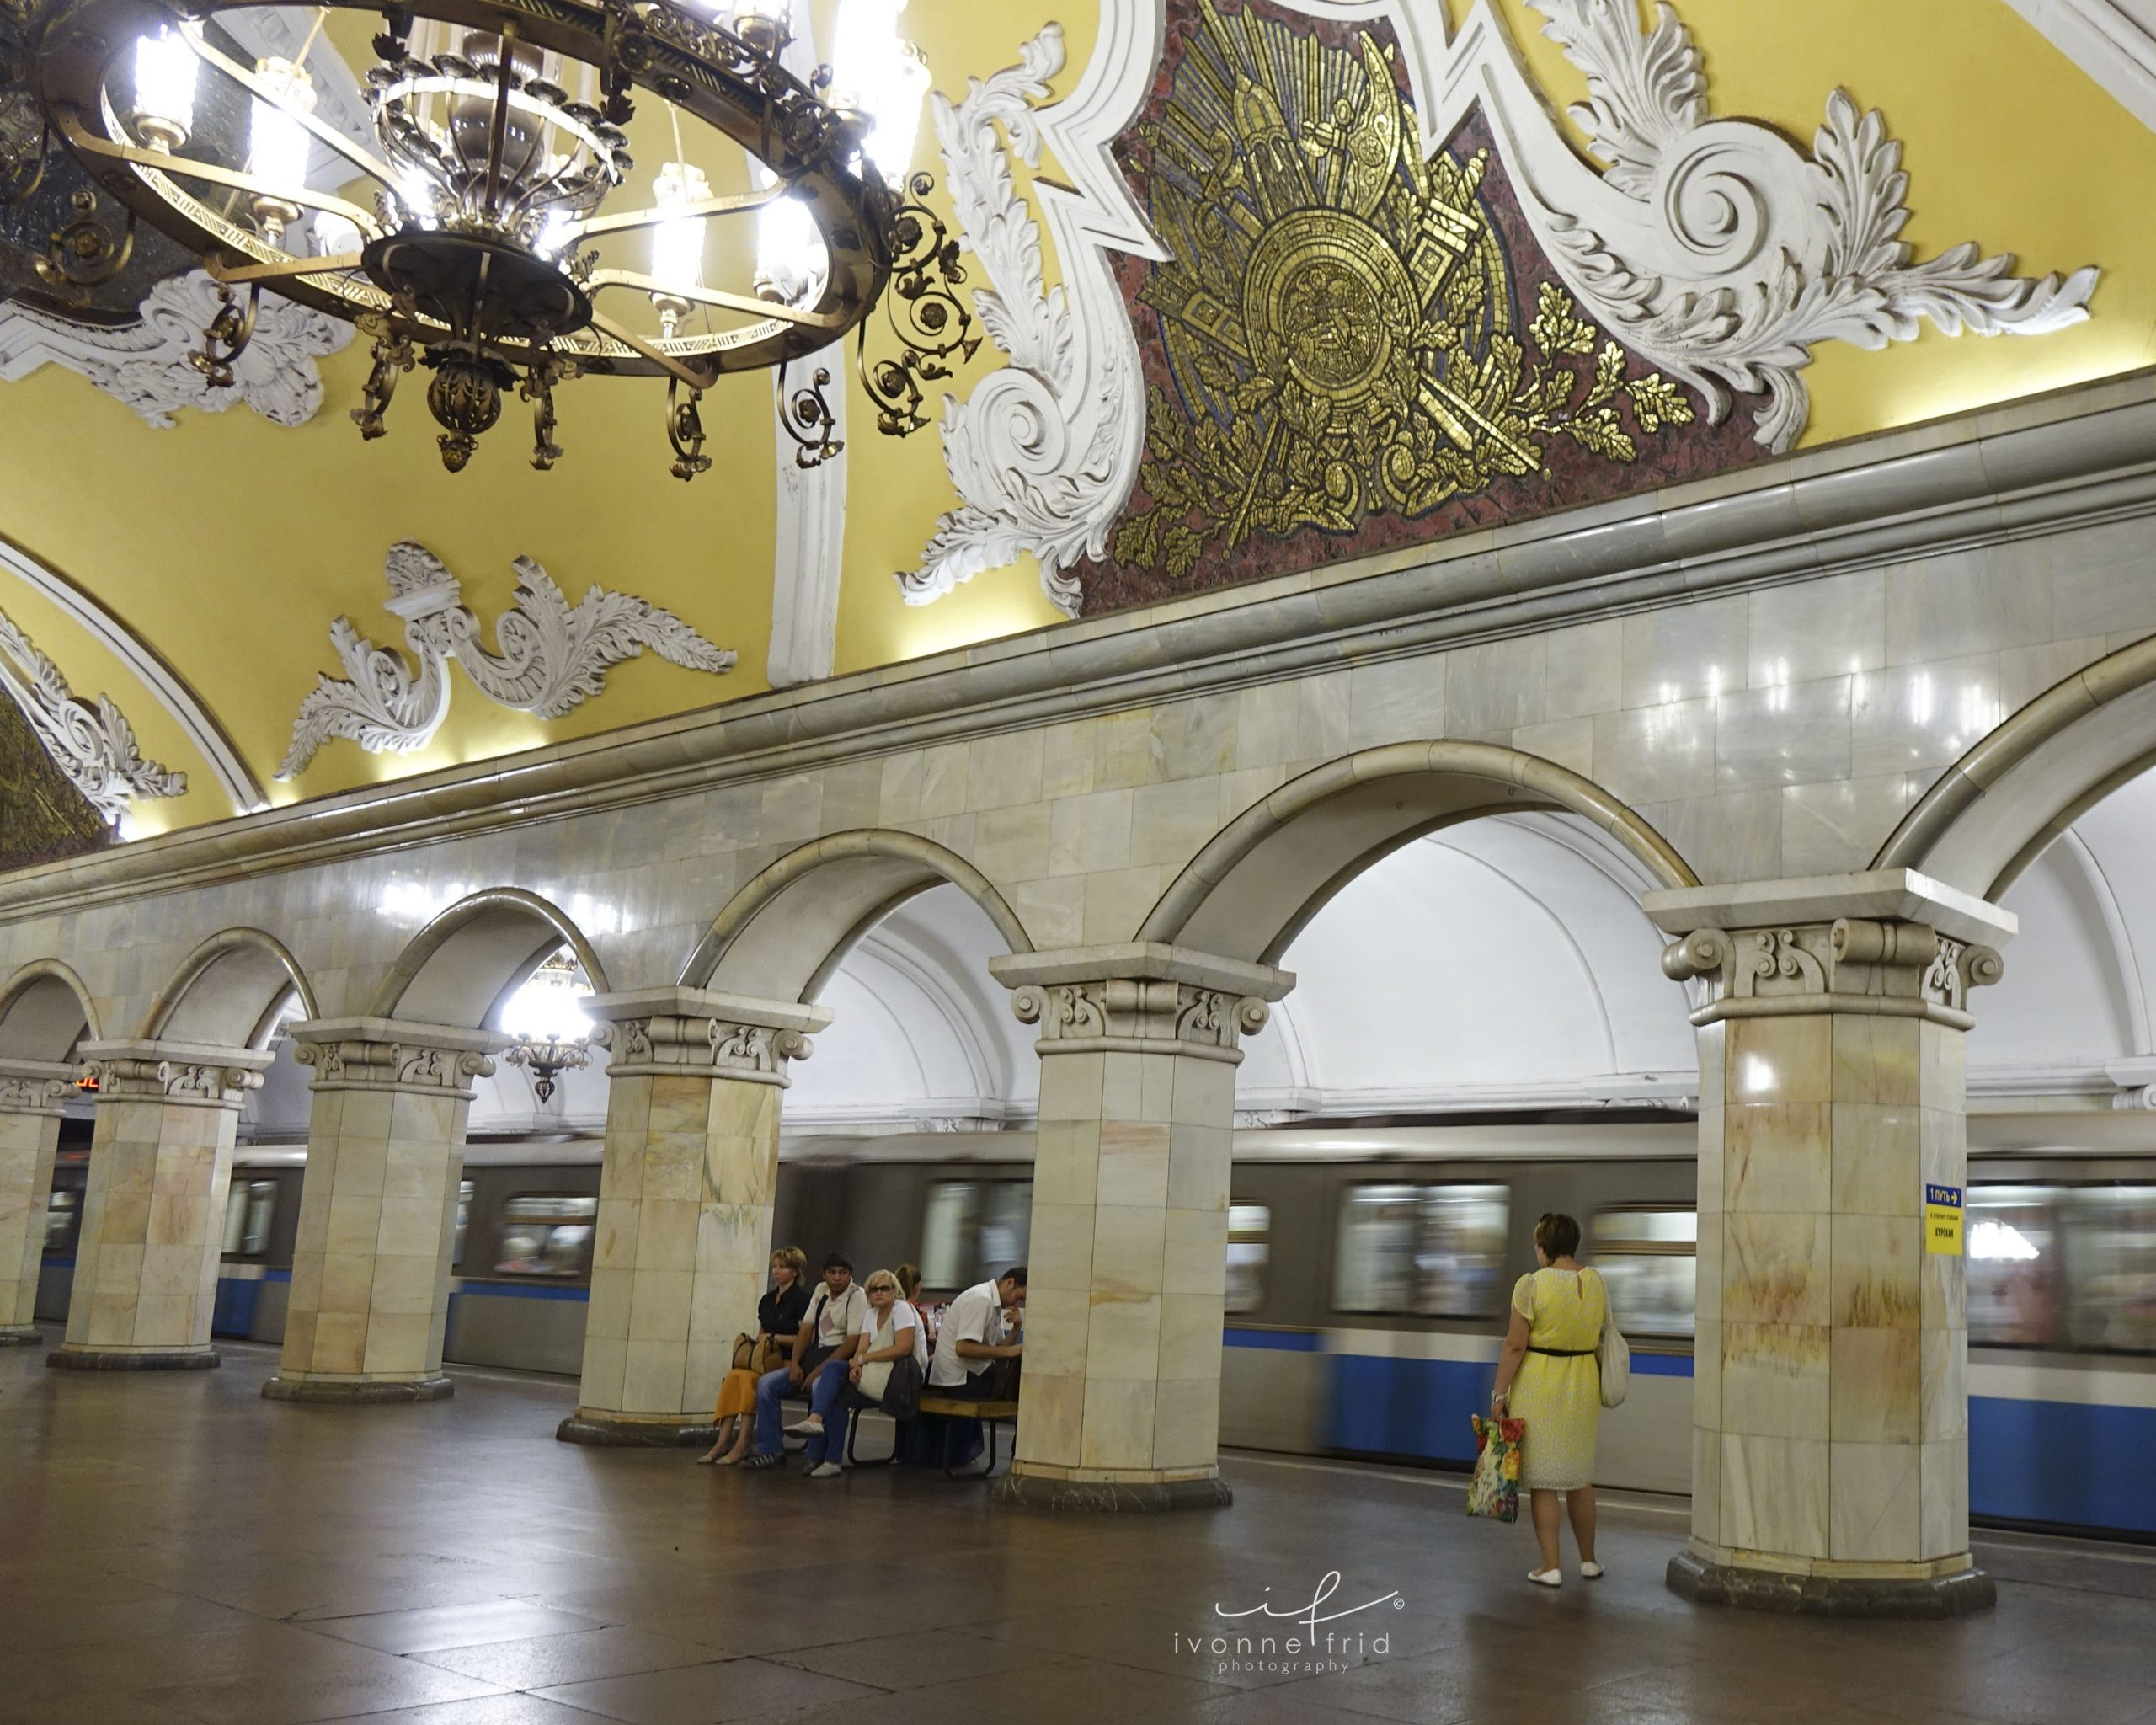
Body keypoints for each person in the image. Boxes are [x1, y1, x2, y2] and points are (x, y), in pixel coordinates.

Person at [1489, 1213, 1607, 1587]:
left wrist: (1499, 1393)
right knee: (1579, 1476)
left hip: (1542, 1382)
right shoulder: (1595, 1281)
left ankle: (1551, 1566)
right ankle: (1589, 1561)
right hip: (1584, 1382)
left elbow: (1515, 1344)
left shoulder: (1531, 1285)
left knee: (1544, 1480)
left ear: (1543, 1249)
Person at [743, 1252, 868, 1471]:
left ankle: (816, 1455)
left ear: (850, 1275)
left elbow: (852, 1341)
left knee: (820, 1386)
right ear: (824, 1274)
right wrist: (795, 1364)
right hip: (814, 1355)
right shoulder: (821, 1291)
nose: (837, 1278)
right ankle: (771, 1449)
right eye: (832, 1273)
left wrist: (814, 1373)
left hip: (839, 1361)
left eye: (843, 1273)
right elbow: (806, 1330)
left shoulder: (856, 1296)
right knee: (766, 1385)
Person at [799, 1268, 931, 1477]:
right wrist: (856, 1365)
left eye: (884, 1288)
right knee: (835, 1387)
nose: (878, 1293)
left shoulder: (902, 1309)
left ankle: (816, 1425)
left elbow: (903, 1348)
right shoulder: (871, 1314)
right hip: (876, 1374)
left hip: (900, 1381)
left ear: (894, 1290)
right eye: (873, 1289)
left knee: (833, 1381)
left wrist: (863, 1360)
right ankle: (829, 1456)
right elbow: (862, 1348)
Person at [698, 1247, 811, 1466]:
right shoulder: (767, 1300)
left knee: (751, 1381)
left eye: (783, 1267)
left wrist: (774, 1337)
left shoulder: (802, 1300)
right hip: (766, 1359)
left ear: (795, 1272)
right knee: (734, 1377)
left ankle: (743, 1443)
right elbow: (761, 1333)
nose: (777, 1272)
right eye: (775, 1267)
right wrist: (764, 1339)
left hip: (788, 1359)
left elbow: (804, 1337)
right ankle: (722, 1442)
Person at [926, 1265, 1026, 1467]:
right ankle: (1021, 1458)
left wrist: (1016, 1328)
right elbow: (964, 1348)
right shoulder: (981, 1299)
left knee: (1021, 1388)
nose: (1018, 1303)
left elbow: (998, 1347)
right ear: (1009, 1283)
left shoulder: (993, 1303)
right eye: (1019, 1297)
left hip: (972, 1372)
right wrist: (1009, 1352)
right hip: (959, 1378)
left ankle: (1019, 1456)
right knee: (1024, 1393)